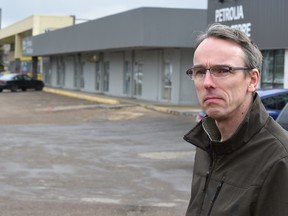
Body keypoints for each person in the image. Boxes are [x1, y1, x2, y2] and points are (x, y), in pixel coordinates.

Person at [183, 23, 288, 216]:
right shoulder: (206, 144)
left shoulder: (280, 160)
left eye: (222, 70)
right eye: (199, 72)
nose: (207, 83)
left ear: (252, 80)